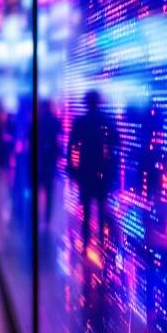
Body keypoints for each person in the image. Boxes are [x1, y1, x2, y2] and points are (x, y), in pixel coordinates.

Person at [68, 90, 121, 250]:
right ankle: (102, 243)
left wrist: (72, 169)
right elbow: (116, 143)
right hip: (101, 172)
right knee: (101, 207)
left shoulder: (80, 122)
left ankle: (86, 243)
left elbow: (71, 146)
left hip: (85, 172)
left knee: (86, 207)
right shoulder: (106, 120)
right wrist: (112, 167)